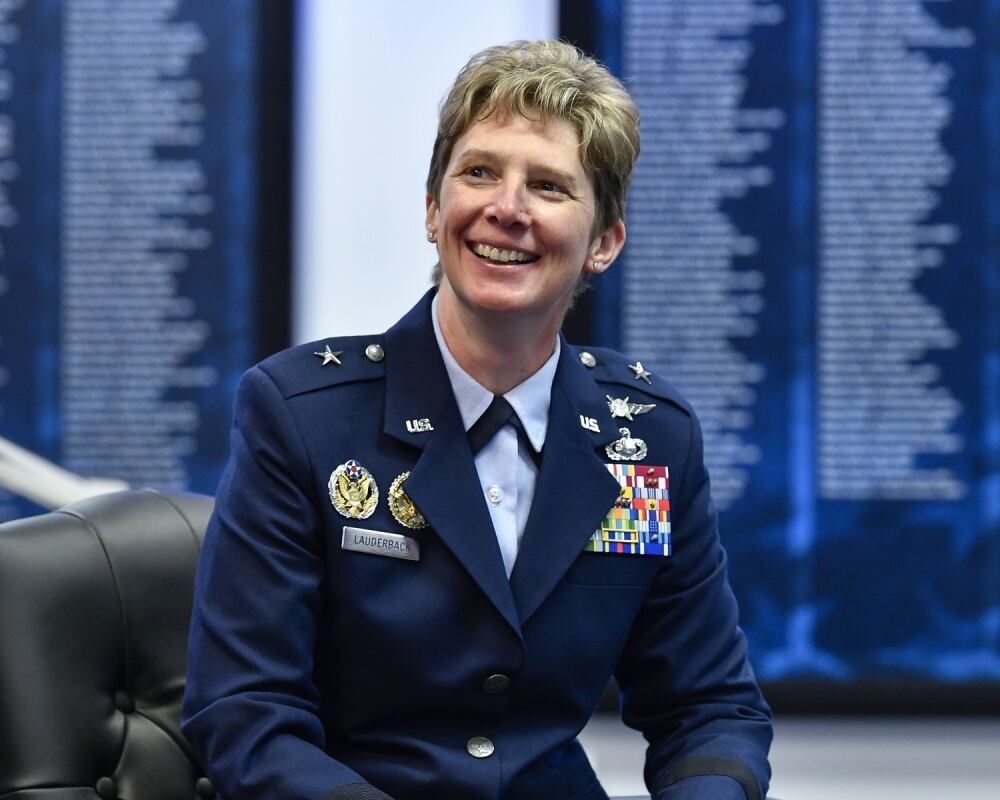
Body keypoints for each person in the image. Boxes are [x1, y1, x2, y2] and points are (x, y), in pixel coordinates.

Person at [182, 40, 773, 800]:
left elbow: (708, 708)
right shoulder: (302, 417)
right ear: (434, 210)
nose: (507, 208)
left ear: (604, 242)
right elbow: (246, 713)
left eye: (551, 186)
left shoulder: (649, 440)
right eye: (480, 172)